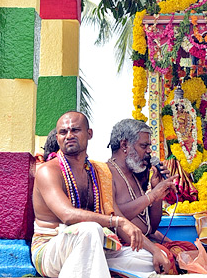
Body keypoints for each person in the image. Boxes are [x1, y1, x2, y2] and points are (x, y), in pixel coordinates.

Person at [31, 110, 155, 278]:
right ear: (58, 137)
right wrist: (118, 222)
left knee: (146, 259)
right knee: (89, 229)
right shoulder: (48, 171)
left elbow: (115, 213)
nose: (69, 135)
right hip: (50, 248)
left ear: (89, 133)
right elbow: (67, 215)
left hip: (93, 244)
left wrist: (155, 251)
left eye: (75, 130)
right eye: (63, 132)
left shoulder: (97, 172)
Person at [107, 118, 198, 273]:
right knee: (162, 258)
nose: (149, 151)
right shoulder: (107, 173)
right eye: (144, 145)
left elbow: (152, 225)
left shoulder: (136, 175)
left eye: (149, 146)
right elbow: (118, 217)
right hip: (125, 248)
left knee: (190, 251)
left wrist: (157, 192)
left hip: (146, 242)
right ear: (124, 145)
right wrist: (152, 196)